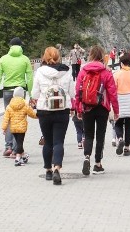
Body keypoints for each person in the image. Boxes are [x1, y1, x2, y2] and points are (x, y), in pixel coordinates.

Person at [73, 45, 120, 177]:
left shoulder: (83, 71)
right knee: (100, 136)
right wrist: (116, 110)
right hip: (102, 108)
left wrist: (78, 108)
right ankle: (98, 164)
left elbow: (78, 92)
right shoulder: (106, 72)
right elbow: (112, 93)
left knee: (88, 135)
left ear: (90, 55)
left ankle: (87, 157)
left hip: (87, 106)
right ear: (102, 56)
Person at [31, 46, 74, 185]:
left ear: (45, 57)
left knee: (48, 141)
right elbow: (72, 93)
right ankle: (57, 168)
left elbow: (35, 94)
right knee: (59, 142)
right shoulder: (67, 71)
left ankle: (48, 170)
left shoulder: (40, 72)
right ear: (58, 57)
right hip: (62, 111)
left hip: (44, 110)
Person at [0, 37, 33, 157]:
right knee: (19, 118)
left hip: (7, 92)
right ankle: (16, 149)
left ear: (10, 46)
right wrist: (31, 95)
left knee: (9, 117)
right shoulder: (25, 59)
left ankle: (8, 146)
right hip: (20, 91)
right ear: (20, 46)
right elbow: (30, 78)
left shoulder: (3, 59)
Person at [1, 87, 36, 166]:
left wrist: (4, 128)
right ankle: (17, 159)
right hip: (21, 128)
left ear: (13, 95)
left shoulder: (9, 106)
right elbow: (32, 114)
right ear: (22, 95)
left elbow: (6, 118)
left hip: (13, 128)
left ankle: (23, 156)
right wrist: (39, 115)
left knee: (18, 142)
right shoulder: (25, 105)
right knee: (20, 143)